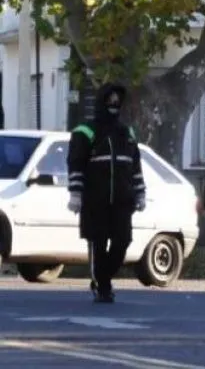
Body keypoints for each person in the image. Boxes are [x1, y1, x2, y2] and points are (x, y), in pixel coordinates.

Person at [66, 83, 146, 304]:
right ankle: (103, 287)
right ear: (102, 101)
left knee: (123, 242)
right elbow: (76, 164)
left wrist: (140, 193)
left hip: (122, 201)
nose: (114, 104)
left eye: (117, 100)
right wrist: (76, 194)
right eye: (110, 100)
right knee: (98, 244)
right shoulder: (85, 131)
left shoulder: (126, 132)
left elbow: (135, 166)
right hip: (95, 201)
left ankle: (103, 277)